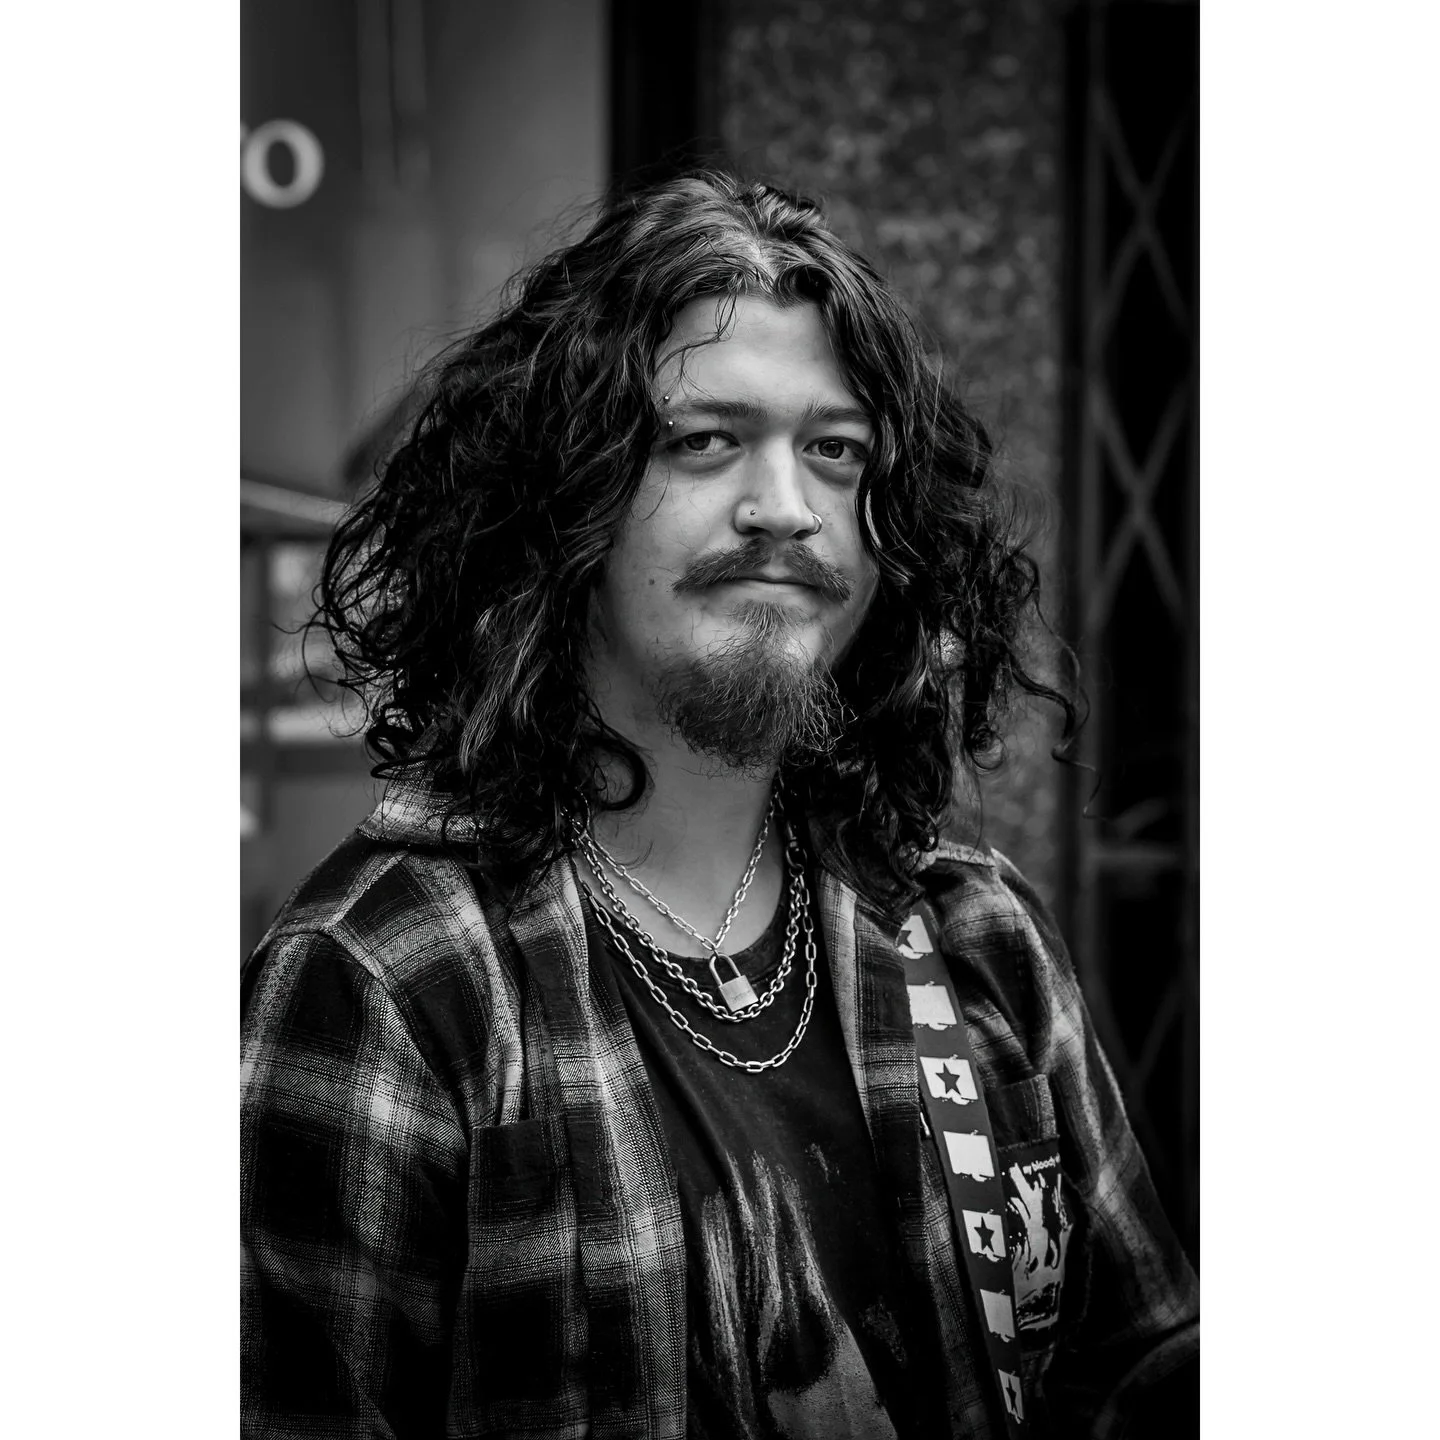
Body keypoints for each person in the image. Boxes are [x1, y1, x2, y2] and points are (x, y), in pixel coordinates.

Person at [240, 171, 1198, 1439]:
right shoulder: (390, 980)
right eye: (703, 440)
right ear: (563, 504)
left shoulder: (976, 934)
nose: (786, 509)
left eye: (837, 451)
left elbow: (1134, 1379)